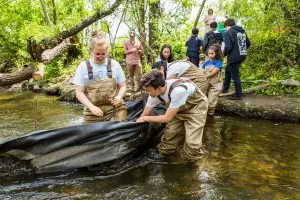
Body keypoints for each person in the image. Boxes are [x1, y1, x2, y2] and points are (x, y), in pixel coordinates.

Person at [137, 70, 208, 160]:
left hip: (196, 109)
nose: (147, 93)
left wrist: (146, 118)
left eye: (147, 90)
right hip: (177, 111)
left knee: (192, 144)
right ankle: (164, 156)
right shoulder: (154, 95)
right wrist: (137, 123)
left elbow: (167, 118)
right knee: (169, 138)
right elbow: (144, 114)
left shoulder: (178, 91)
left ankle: (194, 166)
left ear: (158, 88)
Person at [74, 30, 127, 123]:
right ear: (91, 51)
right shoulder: (83, 67)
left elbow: (123, 86)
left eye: (103, 54)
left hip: (115, 109)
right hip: (92, 112)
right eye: (97, 54)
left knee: (119, 129)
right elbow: (79, 93)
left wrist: (119, 97)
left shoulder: (114, 64)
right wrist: (91, 107)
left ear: (107, 51)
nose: (101, 56)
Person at [222, 19, 251, 100]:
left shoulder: (230, 32)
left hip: (234, 56)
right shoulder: (242, 31)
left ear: (227, 25)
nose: (225, 29)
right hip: (242, 55)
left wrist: (223, 55)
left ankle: (238, 95)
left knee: (235, 75)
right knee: (228, 70)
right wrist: (241, 50)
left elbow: (228, 46)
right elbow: (248, 43)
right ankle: (225, 89)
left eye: (225, 27)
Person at [201, 44, 223, 116]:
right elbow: (201, 70)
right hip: (207, 83)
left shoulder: (218, 62)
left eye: (212, 53)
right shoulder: (205, 63)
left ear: (216, 53)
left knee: (211, 101)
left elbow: (213, 73)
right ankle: (204, 115)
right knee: (204, 100)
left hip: (216, 84)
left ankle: (211, 114)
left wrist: (204, 76)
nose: (210, 55)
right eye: (209, 53)